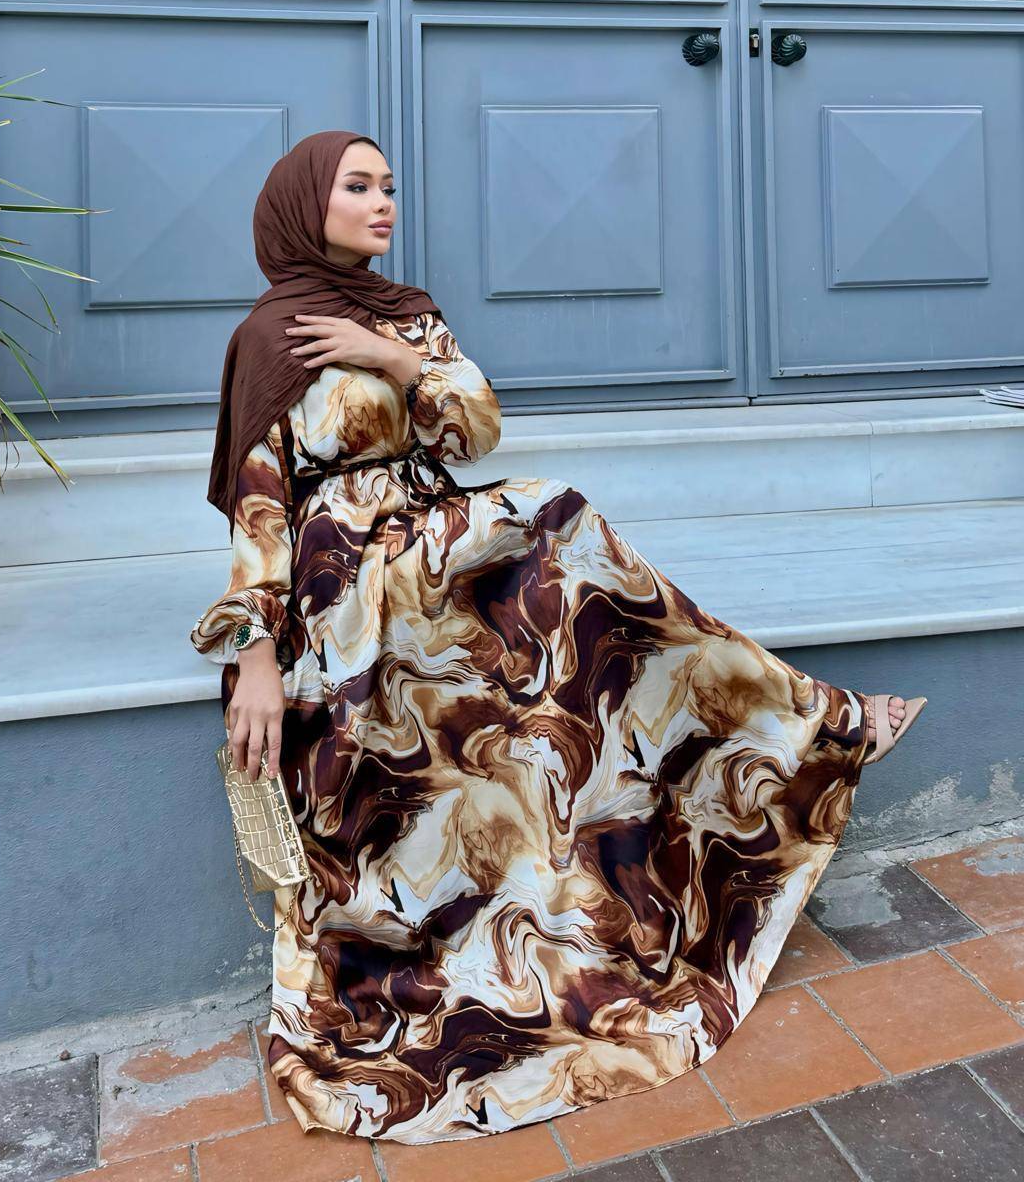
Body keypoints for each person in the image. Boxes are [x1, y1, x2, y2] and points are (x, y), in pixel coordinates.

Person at [192, 127, 927, 1146]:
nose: (383, 201)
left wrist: (394, 358)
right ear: (304, 201)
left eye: (389, 185)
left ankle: (793, 727)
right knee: (550, 518)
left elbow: (475, 432)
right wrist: (255, 657)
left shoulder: (406, 316)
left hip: (436, 541)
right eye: (358, 186)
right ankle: (795, 717)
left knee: (563, 559)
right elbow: (260, 510)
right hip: (344, 576)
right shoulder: (271, 337)